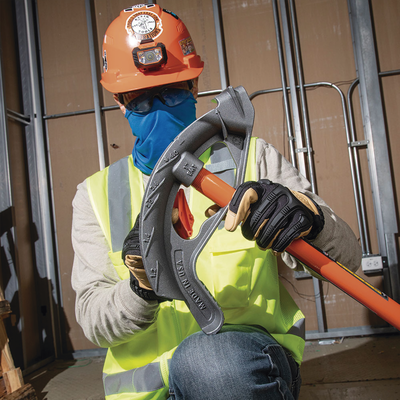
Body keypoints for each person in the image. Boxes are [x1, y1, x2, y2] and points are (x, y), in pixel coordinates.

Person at [71, 4, 362, 400]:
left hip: (237, 373)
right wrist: (141, 289)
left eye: (172, 92)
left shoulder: (253, 161)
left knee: (211, 365)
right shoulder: (96, 195)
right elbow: (93, 320)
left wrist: (309, 219)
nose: (158, 109)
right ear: (120, 103)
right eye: (141, 101)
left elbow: (349, 260)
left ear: (194, 87)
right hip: (147, 394)